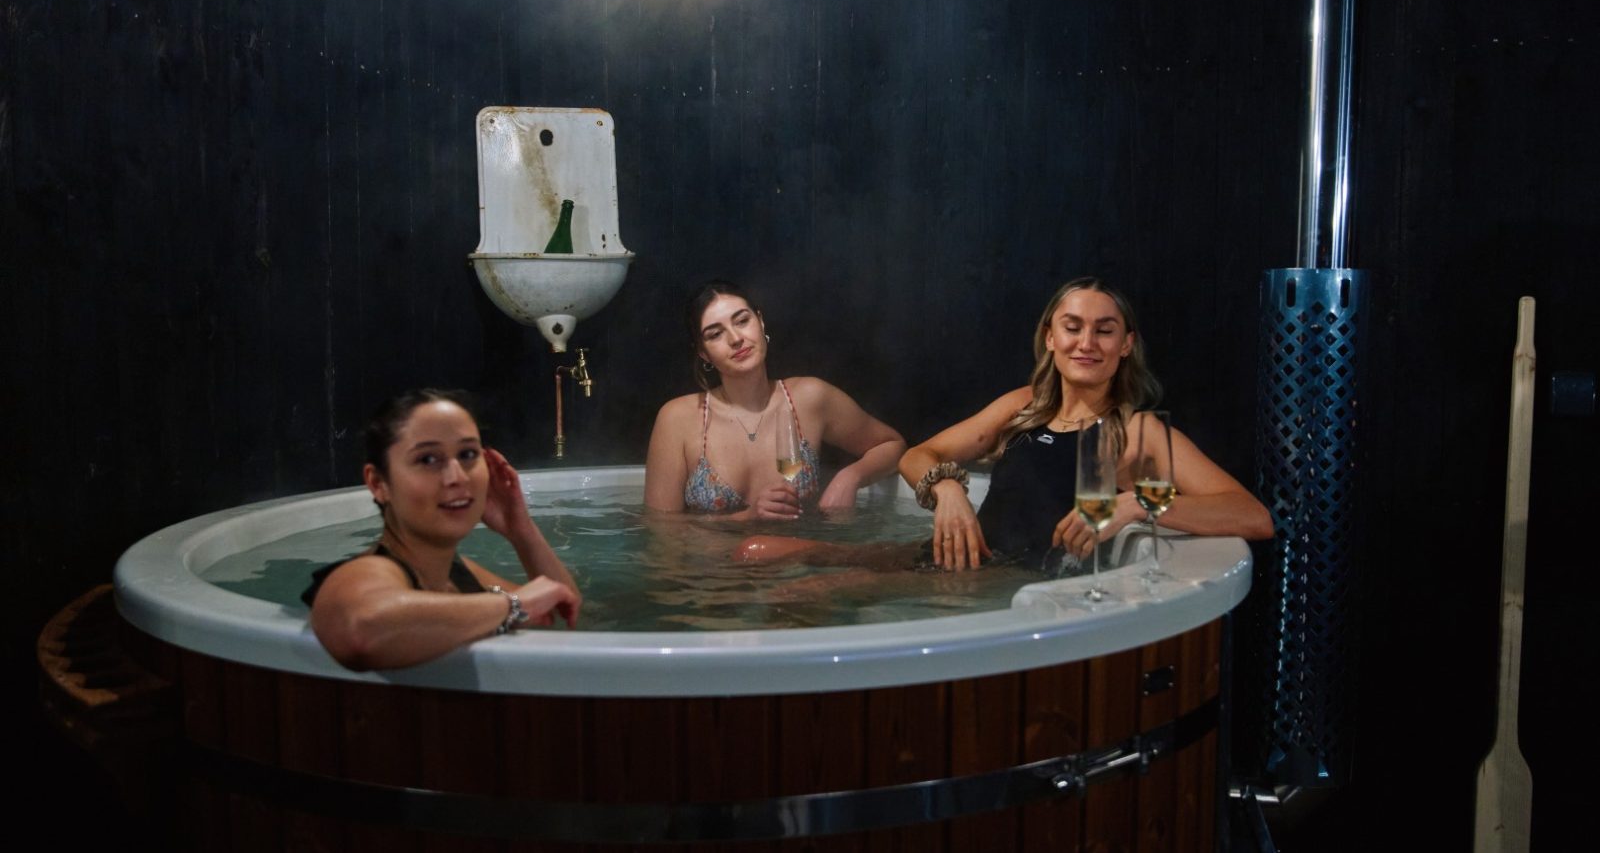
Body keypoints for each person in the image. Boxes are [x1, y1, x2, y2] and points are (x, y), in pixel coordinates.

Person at [899, 277, 1273, 571]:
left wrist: (1137, 504)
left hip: (1009, 595)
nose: (1087, 343)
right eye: (1072, 327)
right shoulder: (1023, 405)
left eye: (1105, 330)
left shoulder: (1137, 432)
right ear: (1050, 337)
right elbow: (917, 456)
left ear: (1126, 345)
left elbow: (1253, 516)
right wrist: (947, 491)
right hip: (957, 567)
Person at [306, 389, 581, 670]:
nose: (456, 476)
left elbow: (563, 618)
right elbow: (360, 630)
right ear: (378, 484)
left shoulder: (455, 572)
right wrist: (514, 604)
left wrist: (520, 529)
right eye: (428, 460)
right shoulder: (372, 570)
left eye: (468, 454)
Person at [645, 280, 906, 519]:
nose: (736, 339)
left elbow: (893, 445)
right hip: (714, 568)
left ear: (760, 322)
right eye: (715, 334)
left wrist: (850, 478)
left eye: (742, 320)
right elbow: (662, 534)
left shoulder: (809, 398)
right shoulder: (678, 418)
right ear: (703, 354)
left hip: (801, 563)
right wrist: (747, 518)